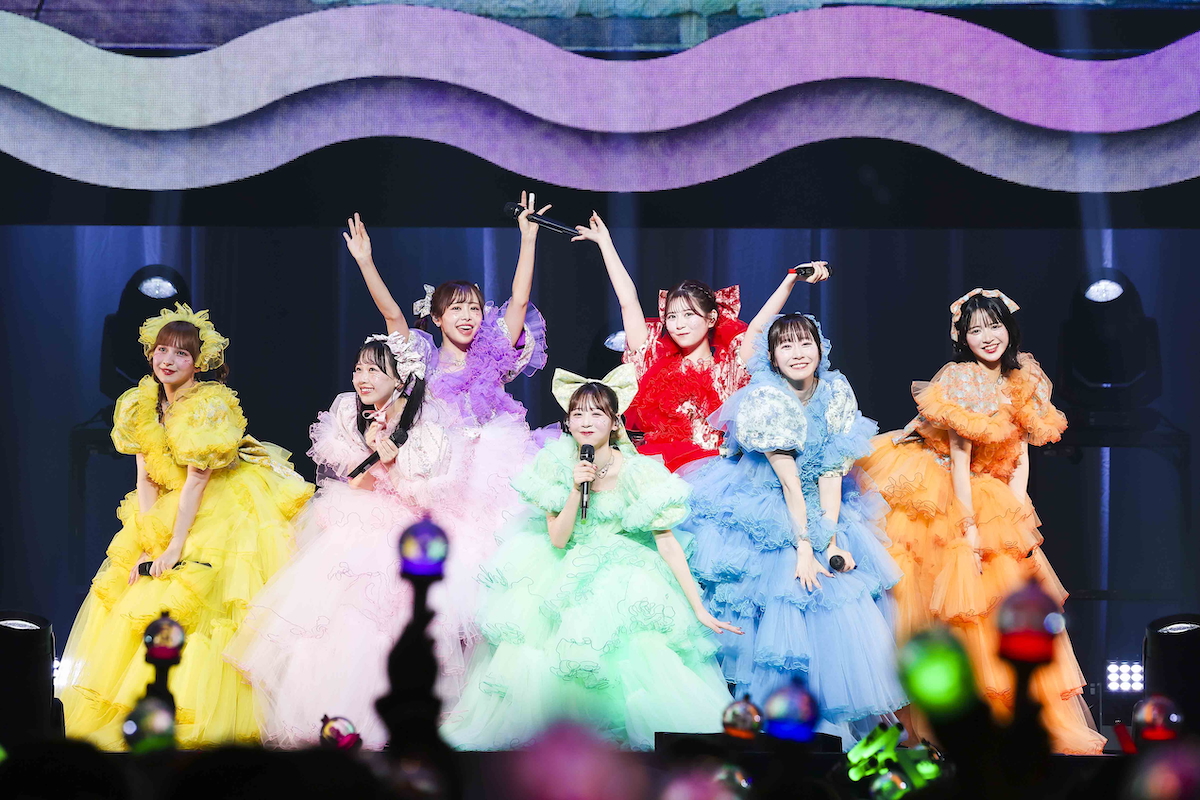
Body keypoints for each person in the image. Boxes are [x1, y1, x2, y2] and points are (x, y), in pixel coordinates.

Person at [440, 366, 742, 750]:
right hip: (564, 563)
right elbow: (558, 537)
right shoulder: (554, 463)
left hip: (624, 569)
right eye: (578, 413)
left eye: (597, 413)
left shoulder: (637, 470)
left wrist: (698, 607)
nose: (586, 421)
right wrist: (574, 486)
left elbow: (666, 542)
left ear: (614, 423)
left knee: (638, 648)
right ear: (568, 421)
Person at [858, 288, 1105, 754]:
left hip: (993, 490)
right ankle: (946, 724)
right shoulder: (960, 379)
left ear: (1009, 328)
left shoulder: (1025, 377)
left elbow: (1020, 456)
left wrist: (1017, 514)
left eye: (994, 326)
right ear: (962, 338)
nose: (987, 336)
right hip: (947, 488)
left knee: (1002, 601)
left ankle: (1007, 724)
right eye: (975, 330)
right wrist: (969, 529)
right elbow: (958, 457)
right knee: (950, 604)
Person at [55, 304, 313, 750]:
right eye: (162, 350)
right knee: (138, 588)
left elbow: (197, 480)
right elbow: (145, 478)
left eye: (181, 353)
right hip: (170, 504)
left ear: (198, 362)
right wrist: (148, 539)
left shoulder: (208, 405)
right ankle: (145, 712)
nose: (168, 360)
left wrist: (174, 545)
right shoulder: (140, 403)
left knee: (202, 598)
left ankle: (206, 715)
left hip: (220, 504)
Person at [227, 331, 474, 748]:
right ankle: (329, 725)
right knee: (329, 622)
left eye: (373, 370)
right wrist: (374, 452)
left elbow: (426, 499)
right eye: (358, 369)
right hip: (356, 521)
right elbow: (355, 481)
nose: (361, 378)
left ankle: (392, 725)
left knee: (388, 625)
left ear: (399, 379)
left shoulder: (428, 428)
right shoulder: (351, 413)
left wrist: (392, 461)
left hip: (403, 531)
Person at [683, 313, 906, 744]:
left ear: (820, 349)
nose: (798, 353)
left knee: (835, 590)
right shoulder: (766, 398)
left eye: (806, 343)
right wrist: (805, 546)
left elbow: (830, 474)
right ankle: (762, 724)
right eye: (786, 345)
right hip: (765, 498)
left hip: (821, 501)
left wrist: (830, 540)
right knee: (780, 588)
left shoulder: (836, 392)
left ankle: (832, 726)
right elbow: (789, 483)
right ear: (772, 356)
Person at [572, 212, 828, 470]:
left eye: (689, 314)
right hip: (659, 471)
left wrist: (790, 279)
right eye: (672, 316)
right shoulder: (653, 359)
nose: (679, 324)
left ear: (711, 318)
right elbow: (628, 301)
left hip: (714, 472)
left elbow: (761, 324)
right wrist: (605, 243)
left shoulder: (728, 368)